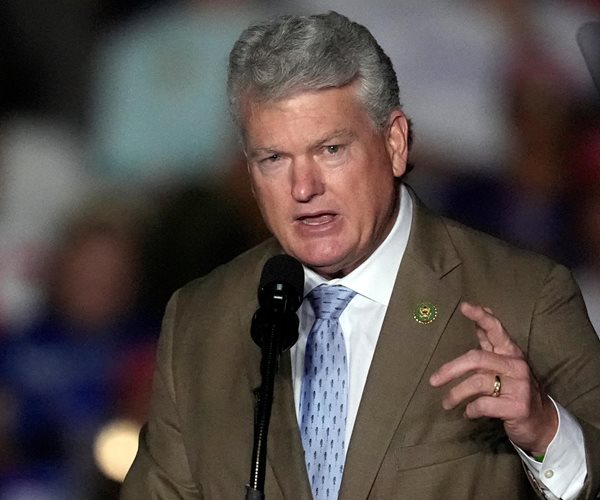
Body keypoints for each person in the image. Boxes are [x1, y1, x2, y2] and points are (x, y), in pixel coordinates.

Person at [120, 11, 600, 499]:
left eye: (330, 149)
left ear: (395, 143)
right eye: (274, 159)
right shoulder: (199, 322)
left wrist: (546, 432)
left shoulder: (523, 298)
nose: (303, 188)